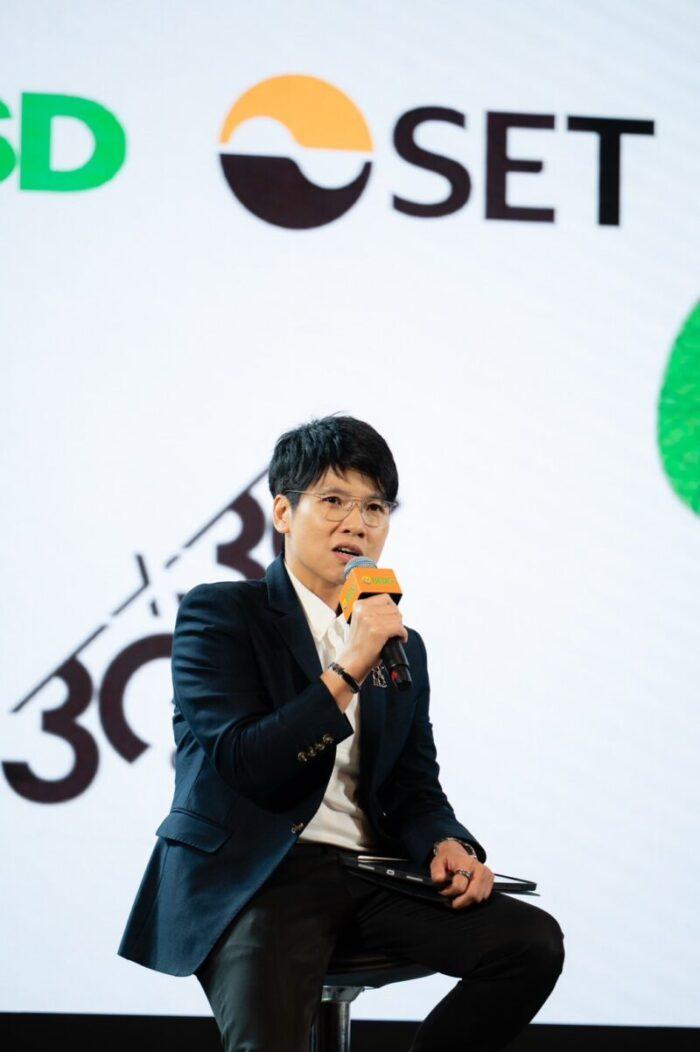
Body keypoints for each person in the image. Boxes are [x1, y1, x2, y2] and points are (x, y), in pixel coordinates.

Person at [118, 414, 564, 1050]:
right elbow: (248, 762)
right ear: (283, 512)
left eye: (375, 507)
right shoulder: (221, 614)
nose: (357, 523)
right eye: (333, 501)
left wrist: (446, 841)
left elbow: (412, 782)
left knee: (531, 943)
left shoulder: (399, 643)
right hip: (258, 876)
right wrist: (351, 664)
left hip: (370, 874)